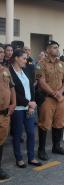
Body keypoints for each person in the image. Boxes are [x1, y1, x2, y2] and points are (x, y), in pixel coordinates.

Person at [36, 40, 64, 161]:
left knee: (59, 123)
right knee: (44, 124)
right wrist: (54, 93)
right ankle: (42, 149)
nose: (57, 49)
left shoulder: (61, 63)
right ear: (48, 50)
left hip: (60, 99)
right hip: (48, 98)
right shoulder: (41, 64)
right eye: (54, 47)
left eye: (57, 47)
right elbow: (41, 82)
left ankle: (56, 146)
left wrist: (60, 92)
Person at [9, 49, 42, 168]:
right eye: (23, 58)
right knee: (17, 134)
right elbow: (13, 93)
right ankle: (19, 158)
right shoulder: (9, 71)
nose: (26, 60)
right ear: (16, 58)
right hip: (17, 108)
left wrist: (32, 103)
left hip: (29, 107)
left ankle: (31, 157)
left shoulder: (27, 69)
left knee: (31, 133)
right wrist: (28, 103)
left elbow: (32, 87)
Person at [0, 47, 16, 180]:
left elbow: (11, 87)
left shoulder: (5, 70)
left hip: (4, 113)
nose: (1, 54)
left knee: (1, 141)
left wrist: (13, 103)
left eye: (1, 52)